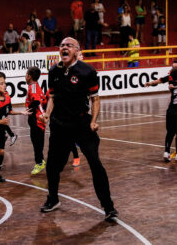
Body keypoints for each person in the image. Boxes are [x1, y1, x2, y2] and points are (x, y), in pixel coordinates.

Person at [39, 37, 117, 221]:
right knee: (52, 166)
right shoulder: (53, 71)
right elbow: (53, 97)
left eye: (68, 46)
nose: (64, 48)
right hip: (59, 124)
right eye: (62, 45)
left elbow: (95, 98)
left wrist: (94, 121)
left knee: (95, 164)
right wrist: (48, 114)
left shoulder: (87, 71)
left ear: (76, 50)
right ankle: (53, 198)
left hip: (82, 123)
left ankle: (109, 207)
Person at [144, 60, 177, 161]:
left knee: (171, 132)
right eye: (172, 67)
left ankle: (167, 152)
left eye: (175, 67)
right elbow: (159, 81)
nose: (172, 69)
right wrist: (150, 83)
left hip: (172, 109)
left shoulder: (175, 78)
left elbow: (159, 81)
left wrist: (150, 83)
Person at [25, 67, 47, 175]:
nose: (25, 76)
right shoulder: (34, 86)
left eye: (26, 74)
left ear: (29, 76)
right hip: (37, 118)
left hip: (37, 119)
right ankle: (40, 161)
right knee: (37, 141)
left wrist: (29, 110)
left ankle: (39, 162)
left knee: (37, 142)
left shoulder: (32, 87)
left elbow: (37, 101)